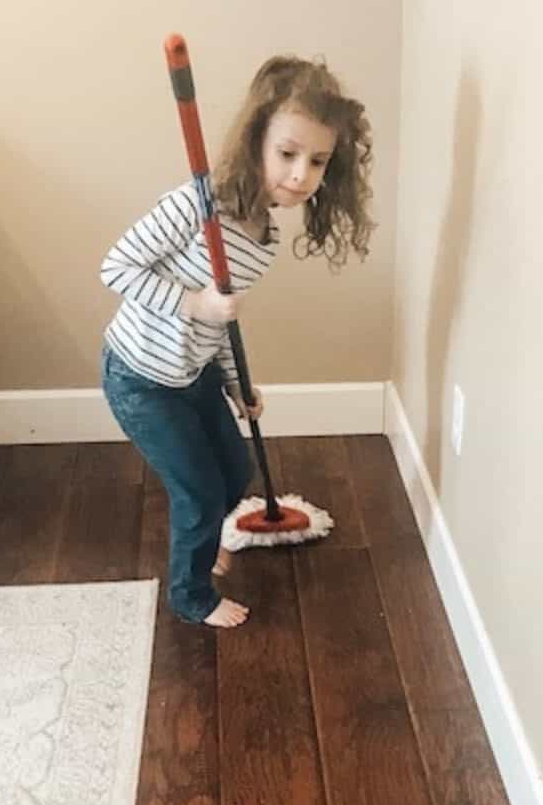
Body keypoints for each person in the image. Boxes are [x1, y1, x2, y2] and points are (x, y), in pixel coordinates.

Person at [100, 54, 374, 627]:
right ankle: (191, 595)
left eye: (318, 161)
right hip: (141, 377)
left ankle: (202, 543)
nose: (301, 175)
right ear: (256, 141)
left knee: (233, 473)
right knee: (198, 495)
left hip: (195, 373)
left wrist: (235, 384)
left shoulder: (264, 236)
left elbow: (222, 321)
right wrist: (193, 301)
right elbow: (116, 268)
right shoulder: (195, 207)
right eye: (288, 153)